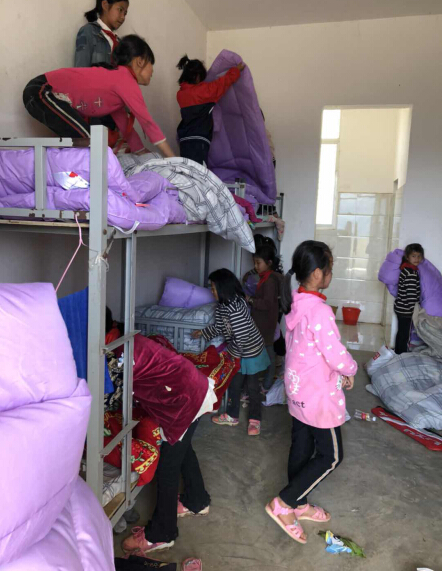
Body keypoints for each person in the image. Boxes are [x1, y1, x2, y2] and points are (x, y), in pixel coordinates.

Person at [265, 240, 357, 545]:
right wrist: (350, 369)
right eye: (329, 268)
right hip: (318, 396)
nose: (331, 273)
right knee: (331, 456)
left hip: (297, 390)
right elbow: (335, 353)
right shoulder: (319, 311)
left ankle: (299, 503)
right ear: (318, 273)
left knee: (301, 447)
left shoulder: (297, 301)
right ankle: (284, 503)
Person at [121, 333, 214, 555]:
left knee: (167, 468)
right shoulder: (130, 340)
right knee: (183, 450)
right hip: (194, 389)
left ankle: (162, 534)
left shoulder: (117, 357)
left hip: (184, 402)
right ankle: (197, 500)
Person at [23, 35, 174, 157]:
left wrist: (140, 151)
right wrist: (172, 158)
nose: (152, 71)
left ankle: (63, 170)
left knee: (86, 141)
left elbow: (124, 126)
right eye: (151, 64)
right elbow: (148, 123)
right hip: (42, 90)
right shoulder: (125, 79)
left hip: (42, 93)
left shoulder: (117, 86)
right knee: (89, 141)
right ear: (140, 61)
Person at [192, 269, 269, 436]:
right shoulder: (222, 307)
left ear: (224, 288)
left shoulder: (236, 308)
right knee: (234, 383)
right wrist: (204, 332)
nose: (212, 292)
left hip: (251, 351)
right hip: (238, 350)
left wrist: (231, 354)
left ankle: (255, 420)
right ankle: (232, 416)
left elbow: (241, 337)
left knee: (252, 387)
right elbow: (220, 327)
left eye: (214, 288)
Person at [176, 55, 245, 165]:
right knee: (199, 172)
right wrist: (236, 70)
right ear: (197, 76)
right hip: (199, 140)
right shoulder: (204, 91)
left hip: (184, 140)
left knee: (187, 170)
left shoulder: (180, 94)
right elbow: (223, 83)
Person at [247, 243, 284, 392]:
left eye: (258, 263)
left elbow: (266, 304)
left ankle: (266, 385)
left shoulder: (269, 281)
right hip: (265, 322)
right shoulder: (267, 277)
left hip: (265, 324)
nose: (256, 266)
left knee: (269, 355)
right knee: (267, 354)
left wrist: (250, 299)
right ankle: (264, 383)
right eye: (254, 263)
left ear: (268, 263)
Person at [75, 0, 129, 67]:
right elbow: (81, 69)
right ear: (105, 5)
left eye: (125, 13)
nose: (123, 17)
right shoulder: (88, 31)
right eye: (120, 10)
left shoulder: (119, 42)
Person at [394, 243, 424, 354]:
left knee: (401, 333)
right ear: (407, 257)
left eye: (419, 256)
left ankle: (397, 352)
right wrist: (414, 309)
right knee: (405, 335)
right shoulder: (411, 273)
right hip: (406, 309)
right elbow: (411, 294)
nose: (416, 259)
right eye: (413, 256)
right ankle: (402, 354)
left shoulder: (406, 269)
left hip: (400, 307)